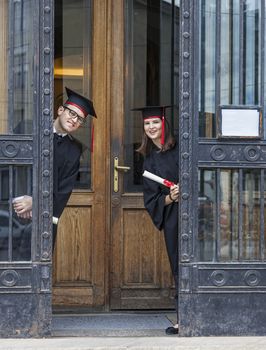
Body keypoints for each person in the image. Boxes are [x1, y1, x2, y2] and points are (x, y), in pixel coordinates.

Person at [13, 87, 97, 249]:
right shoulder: (29, 129)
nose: (74, 120)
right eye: (72, 113)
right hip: (13, 210)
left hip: (44, 217)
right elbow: (14, 167)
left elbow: (63, 191)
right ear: (60, 110)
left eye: (80, 119)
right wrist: (21, 201)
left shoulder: (74, 150)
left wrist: (35, 203)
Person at [133, 105, 179, 335]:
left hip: (195, 214)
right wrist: (171, 197)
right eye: (147, 124)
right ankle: (184, 317)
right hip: (172, 215)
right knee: (178, 263)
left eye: (155, 123)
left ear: (164, 123)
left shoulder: (181, 147)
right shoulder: (149, 161)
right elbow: (152, 200)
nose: (151, 127)